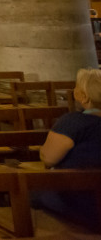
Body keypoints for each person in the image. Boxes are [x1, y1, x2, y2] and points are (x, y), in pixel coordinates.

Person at [36, 69, 101, 228]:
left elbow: (49, 158)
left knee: (33, 192)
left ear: (83, 96)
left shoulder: (74, 122)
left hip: (83, 202)